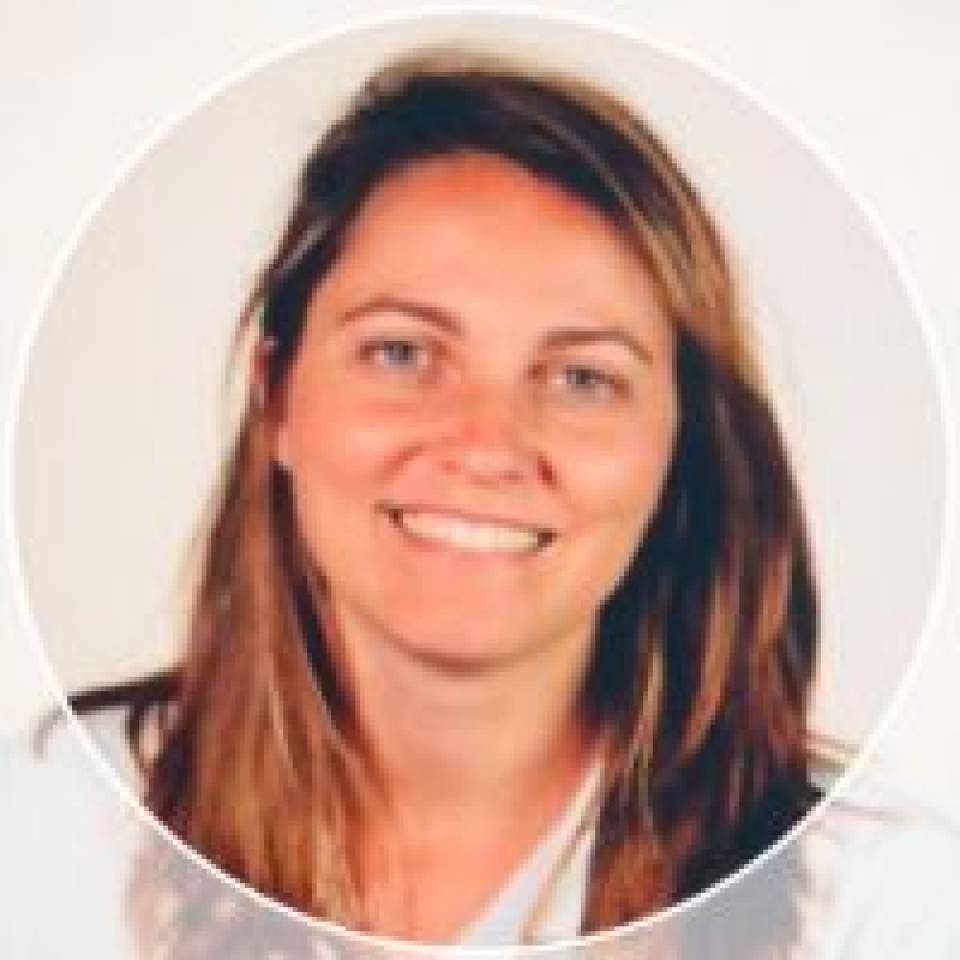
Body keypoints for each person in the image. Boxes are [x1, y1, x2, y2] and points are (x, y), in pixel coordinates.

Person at [60, 48, 822, 949]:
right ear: (275, 400)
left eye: (581, 378)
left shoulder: (880, 901)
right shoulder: (48, 829)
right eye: (402, 353)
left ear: (679, 445)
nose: (485, 446)